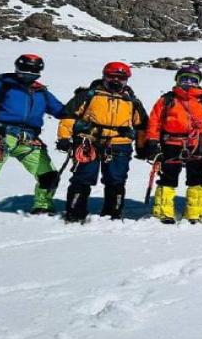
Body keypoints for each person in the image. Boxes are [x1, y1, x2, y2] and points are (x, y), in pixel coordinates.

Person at [0, 54, 65, 222]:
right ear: (17, 67)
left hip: (29, 139)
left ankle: (43, 206)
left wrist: (80, 101)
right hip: (1, 136)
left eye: (34, 70)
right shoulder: (2, 85)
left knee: (49, 174)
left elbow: (61, 111)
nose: (29, 73)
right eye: (25, 69)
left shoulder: (40, 91)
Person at [56, 62, 148, 222]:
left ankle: (113, 213)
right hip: (88, 142)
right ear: (104, 76)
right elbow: (69, 116)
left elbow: (142, 126)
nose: (116, 80)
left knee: (116, 179)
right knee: (83, 177)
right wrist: (64, 138)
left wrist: (142, 147)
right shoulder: (87, 95)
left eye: (121, 78)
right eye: (111, 76)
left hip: (119, 144)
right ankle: (75, 213)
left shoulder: (132, 101)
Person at [143, 65, 202, 224]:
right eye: (184, 79)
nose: (188, 83)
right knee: (168, 177)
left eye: (193, 80)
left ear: (198, 82)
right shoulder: (167, 100)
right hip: (171, 143)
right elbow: (154, 122)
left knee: (197, 178)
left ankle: (195, 212)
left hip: (198, 144)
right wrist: (152, 141)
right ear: (177, 81)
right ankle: (163, 211)